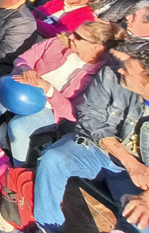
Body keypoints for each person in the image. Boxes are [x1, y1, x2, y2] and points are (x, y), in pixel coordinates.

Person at [0, 21, 123, 166]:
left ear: (96, 46)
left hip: (52, 108)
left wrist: (48, 89)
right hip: (22, 86)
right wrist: (25, 68)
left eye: (78, 37)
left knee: (19, 128)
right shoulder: (57, 43)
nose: (71, 37)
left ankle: (17, 169)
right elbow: (24, 58)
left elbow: (73, 111)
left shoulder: (100, 75)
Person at [33, 43, 149, 233]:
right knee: (54, 159)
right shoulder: (111, 76)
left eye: (129, 69)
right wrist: (129, 162)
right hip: (101, 149)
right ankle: (47, 228)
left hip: (139, 176)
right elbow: (89, 118)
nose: (121, 70)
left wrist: (145, 199)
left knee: (142, 221)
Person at [31, 0, 100, 39]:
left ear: (84, 0)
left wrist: (33, 22)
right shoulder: (59, 1)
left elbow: (58, 34)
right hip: (32, 29)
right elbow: (37, 12)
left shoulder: (85, 18)